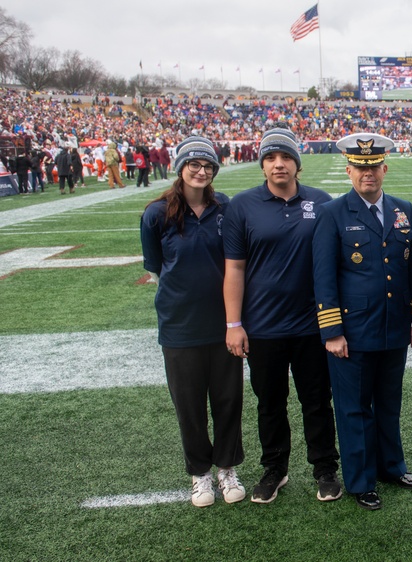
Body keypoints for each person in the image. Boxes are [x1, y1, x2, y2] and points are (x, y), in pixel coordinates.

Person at [223, 127, 342, 505]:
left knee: (317, 401)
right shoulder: (242, 206)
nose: (279, 164)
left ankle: (325, 468)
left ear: (297, 164)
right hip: (264, 327)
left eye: (286, 157)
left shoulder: (322, 202)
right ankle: (275, 468)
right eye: (271, 158)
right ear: (262, 165)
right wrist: (234, 323)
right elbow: (235, 269)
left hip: (312, 325)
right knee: (269, 402)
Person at [312, 132, 412, 511]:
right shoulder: (333, 213)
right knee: (354, 408)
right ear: (349, 171)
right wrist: (331, 331)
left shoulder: (402, 209)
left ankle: (391, 466)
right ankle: (361, 480)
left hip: (395, 328)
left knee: (388, 403)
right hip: (353, 331)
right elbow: (324, 276)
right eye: (360, 169)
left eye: (374, 168)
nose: (368, 175)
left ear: (385, 169)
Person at [140, 135, 246, 508]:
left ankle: (227, 467)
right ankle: (200, 474)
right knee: (189, 405)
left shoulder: (226, 208)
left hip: (224, 325)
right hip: (180, 326)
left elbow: (236, 262)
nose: (201, 171)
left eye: (208, 166)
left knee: (229, 400)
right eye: (194, 165)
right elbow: (155, 267)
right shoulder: (156, 213)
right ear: (180, 168)